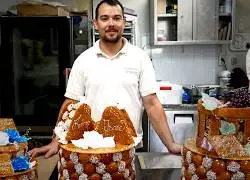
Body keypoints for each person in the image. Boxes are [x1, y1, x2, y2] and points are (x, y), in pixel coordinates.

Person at [28, 0, 182, 158]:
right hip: (89, 149)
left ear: (124, 22)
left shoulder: (140, 59)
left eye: (116, 18)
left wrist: (170, 144)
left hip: (127, 148)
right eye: (104, 18)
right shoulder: (83, 60)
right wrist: (56, 141)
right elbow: (70, 105)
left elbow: (152, 104)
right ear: (95, 24)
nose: (111, 23)